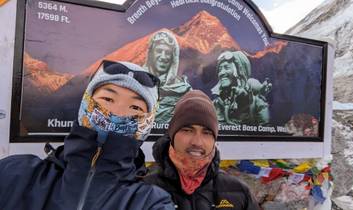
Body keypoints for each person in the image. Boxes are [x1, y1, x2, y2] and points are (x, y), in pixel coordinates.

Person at [0, 60, 175, 210]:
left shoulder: (149, 203)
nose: (118, 113)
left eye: (135, 108)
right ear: (86, 103)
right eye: (108, 99)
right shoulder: (16, 175)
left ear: (147, 124)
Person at [144, 90, 260, 210]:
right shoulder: (143, 191)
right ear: (172, 135)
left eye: (207, 132)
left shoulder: (239, 192)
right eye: (187, 130)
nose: (197, 142)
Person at [211, 50, 272, 125]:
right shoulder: (216, 104)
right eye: (220, 69)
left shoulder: (256, 103)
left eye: (226, 68)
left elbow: (265, 131)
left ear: (239, 71)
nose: (221, 73)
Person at [144, 30, 191, 124]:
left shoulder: (184, 90)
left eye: (168, 53)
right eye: (159, 51)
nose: (163, 57)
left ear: (173, 57)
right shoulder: (136, 83)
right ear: (150, 54)